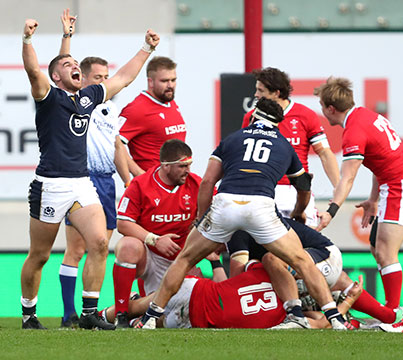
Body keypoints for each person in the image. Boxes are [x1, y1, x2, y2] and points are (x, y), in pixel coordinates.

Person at [135, 98, 349, 330]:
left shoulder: (232, 139)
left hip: (225, 204)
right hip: (261, 206)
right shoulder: (284, 144)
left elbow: (207, 182)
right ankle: (335, 318)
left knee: (185, 259)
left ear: (254, 116)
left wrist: (200, 219)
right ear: (278, 123)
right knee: (301, 260)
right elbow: (304, 186)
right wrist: (299, 212)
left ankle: (149, 318)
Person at [20, 17, 160, 330]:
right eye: (67, 64)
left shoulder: (88, 97)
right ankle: (29, 314)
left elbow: (123, 78)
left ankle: (88, 313)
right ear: (56, 76)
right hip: (50, 185)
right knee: (40, 255)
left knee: (98, 243)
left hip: (81, 183)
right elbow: (33, 71)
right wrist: (27, 40)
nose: (74, 66)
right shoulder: (48, 97)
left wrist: (146, 49)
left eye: (75, 63)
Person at [314, 77, 403, 313]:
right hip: (394, 185)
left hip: (400, 187)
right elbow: (379, 162)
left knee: (386, 252)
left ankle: (392, 314)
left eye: (322, 107)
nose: (323, 113)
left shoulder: (353, 131)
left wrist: (331, 211)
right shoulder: (366, 115)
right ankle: (391, 310)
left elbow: (348, 178)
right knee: (377, 247)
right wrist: (373, 200)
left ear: (331, 108)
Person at [55, 10, 131, 328]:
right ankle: (68, 313)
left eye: (105, 76)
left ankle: (90, 311)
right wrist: (67, 35)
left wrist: (129, 180)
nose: (103, 82)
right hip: (80, 180)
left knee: (101, 245)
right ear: (83, 79)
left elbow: (116, 147)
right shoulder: (72, 101)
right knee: (75, 248)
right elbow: (60, 69)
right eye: (98, 77)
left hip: (107, 181)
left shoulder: (111, 109)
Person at [228, 218, 401, 326]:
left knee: (270, 261)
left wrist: (216, 264)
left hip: (323, 256)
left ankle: (295, 315)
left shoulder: (236, 233)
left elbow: (235, 283)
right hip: (326, 257)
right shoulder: (254, 220)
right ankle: (386, 316)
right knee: (336, 284)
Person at [101, 261, 363, 329]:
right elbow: (321, 322)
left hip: (195, 315)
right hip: (196, 299)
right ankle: (100, 316)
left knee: (145, 315)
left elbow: (318, 320)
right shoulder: (289, 319)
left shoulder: (272, 272)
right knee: (139, 310)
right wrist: (347, 302)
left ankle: (105, 316)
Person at [112, 139, 201, 327]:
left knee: (189, 313)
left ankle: (109, 315)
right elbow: (123, 223)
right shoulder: (140, 184)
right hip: (151, 257)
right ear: (166, 166)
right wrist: (155, 240)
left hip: (181, 260)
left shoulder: (196, 184)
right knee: (128, 245)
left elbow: (216, 213)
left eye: (189, 165)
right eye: (182, 166)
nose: (188, 170)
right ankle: (120, 314)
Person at [242, 67, 339, 227]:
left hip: (297, 191)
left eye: (260, 90)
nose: (256, 95)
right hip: (265, 190)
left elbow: (324, 153)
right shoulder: (252, 117)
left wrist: (338, 187)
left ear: (277, 93)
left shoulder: (305, 115)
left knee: (307, 243)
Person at [118, 56, 185, 176]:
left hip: (176, 183)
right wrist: (139, 174)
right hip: (154, 186)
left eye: (173, 80)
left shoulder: (170, 102)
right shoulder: (137, 109)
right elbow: (114, 142)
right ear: (150, 81)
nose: (170, 85)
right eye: (164, 81)